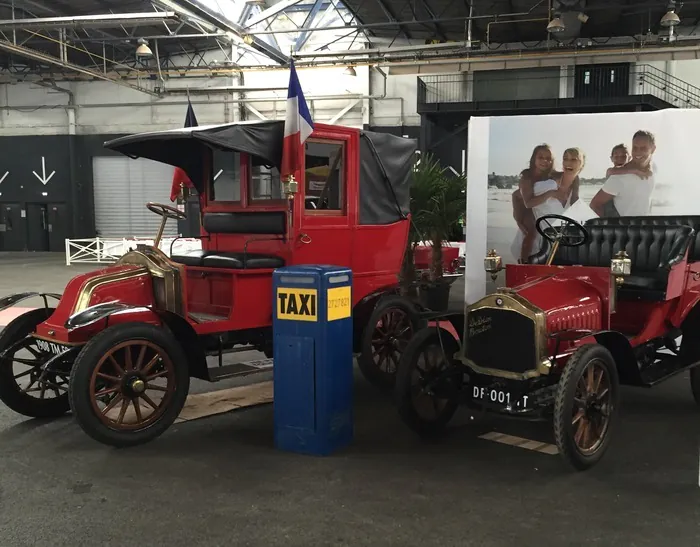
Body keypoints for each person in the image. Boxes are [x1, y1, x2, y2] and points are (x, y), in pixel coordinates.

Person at [511, 145, 582, 263]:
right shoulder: (527, 178)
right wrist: (518, 218)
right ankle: (524, 261)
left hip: (541, 206)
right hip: (526, 206)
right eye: (541, 157)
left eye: (548, 158)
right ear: (534, 158)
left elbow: (573, 191)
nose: (545, 161)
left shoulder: (553, 175)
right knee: (531, 230)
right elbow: (522, 200)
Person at [590, 130, 656, 217]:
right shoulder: (619, 177)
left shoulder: (654, 169)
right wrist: (610, 228)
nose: (638, 152)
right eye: (635, 148)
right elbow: (595, 204)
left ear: (653, 149)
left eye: (643, 148)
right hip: (623, 227)